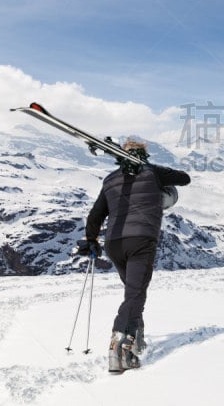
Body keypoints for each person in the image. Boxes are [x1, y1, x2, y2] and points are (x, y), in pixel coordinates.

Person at [83, 139, 190, 373]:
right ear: (144, 154)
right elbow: (184, 178)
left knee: (134, 293)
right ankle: (119, 346)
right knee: (135, 294)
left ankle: (135, 338)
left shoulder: (110, 179)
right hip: (140, 240)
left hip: (114, 244)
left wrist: (91, 239)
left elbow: (96, 213)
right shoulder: (153, 172)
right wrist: (159, 174)